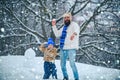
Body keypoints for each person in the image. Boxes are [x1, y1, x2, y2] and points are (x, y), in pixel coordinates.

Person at [52, 13, 80, 80]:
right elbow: (57, 34)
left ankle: (76, 78)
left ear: (70, 18)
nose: (66, 19)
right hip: (63, 48)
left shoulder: (74, 25)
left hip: (71, 48)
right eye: (65, 18)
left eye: (67, 17)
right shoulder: (64, 27)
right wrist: (53, 26)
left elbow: (77, 30)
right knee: (62, 65)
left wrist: (74, 34)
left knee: (72, 64)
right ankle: (65, 77)